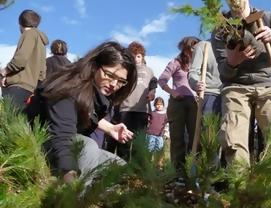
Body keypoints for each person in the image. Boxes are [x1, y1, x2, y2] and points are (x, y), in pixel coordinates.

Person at [25, 41, 137, 184]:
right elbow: (62, 138)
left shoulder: (94, 92)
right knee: (88, 147)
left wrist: (110, 128)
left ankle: (102, 200)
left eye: (121, 81)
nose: (114, 85)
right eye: (109, 75)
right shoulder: (68, 88)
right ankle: (77, 200)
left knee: (120, 167)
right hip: (40, 140)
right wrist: (71, 186)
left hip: (63, 142)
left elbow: (84, 111)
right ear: (94, 66)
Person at [211, 0, 271, 166]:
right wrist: (232, 62)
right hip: (236, 87)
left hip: (268, 84)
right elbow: (224, 72)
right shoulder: (220, 27)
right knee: (233, 138)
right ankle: (239, 185)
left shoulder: (267, 17)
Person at [158, 36, 200, 176]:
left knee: (195, 137)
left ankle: (194, 171)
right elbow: (162, 80)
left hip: (195, 103)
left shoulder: (199, 65)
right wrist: (173, 92)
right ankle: (178, 173)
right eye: (192, 46)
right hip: (178, 102)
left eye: (197, 46)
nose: (194, 49)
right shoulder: (176, 62)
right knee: (177, 138)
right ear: (185, 48)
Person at [115, 41, 157, 161]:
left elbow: (153, 83)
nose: (136, 58)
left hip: (142, 110)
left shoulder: (149, 70)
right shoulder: (126, 69)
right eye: (133, 55)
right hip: (125, 108)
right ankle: (121, 166)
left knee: (139, 141)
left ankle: (137, 170)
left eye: (138, 56)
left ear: (142, 57)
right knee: (124, 140)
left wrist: (152, 92)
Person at [0, 9, 48, 110]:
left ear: (21, 23)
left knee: (9, 122)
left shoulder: (29, 34)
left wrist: (5, 72)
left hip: (18, 88)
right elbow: (42, 71)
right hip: (31, 90)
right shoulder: (41, 41)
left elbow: (20, 60)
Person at [189, 40, 222, 116]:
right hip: (210, 93)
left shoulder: (237, 45)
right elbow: (193, 72)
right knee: (208, 127)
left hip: (230, 94)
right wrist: (196, 83)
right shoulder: (203, 45)